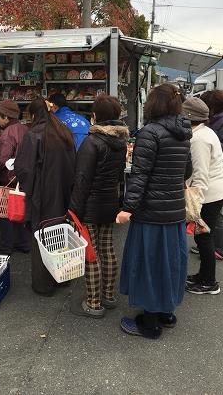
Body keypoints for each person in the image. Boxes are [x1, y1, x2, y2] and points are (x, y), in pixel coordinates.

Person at [116, 83, 192, 339]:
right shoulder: (183, 132)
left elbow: (139, 176)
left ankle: (149, 324)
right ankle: (166, 313)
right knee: (169, 264)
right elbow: (187, 172)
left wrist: (127, 208)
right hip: (174, 213)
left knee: (149, 265)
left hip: (151, 214)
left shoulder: (150, 132)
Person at [69, 95, 128, 318]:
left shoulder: (91, 142)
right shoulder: (120, 143)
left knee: (91, 254)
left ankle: (93, 303)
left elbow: (82, 179)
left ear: (95, 116)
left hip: (90, 206)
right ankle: (109, 296)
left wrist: (73, 211)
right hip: (109, 203)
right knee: (108, 250)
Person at [14, 98, 76, 296]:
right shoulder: (64, 131)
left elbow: (24, 168)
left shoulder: (34, 135)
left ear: (33, 115)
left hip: (42, 194)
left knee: (41, 236)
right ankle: (63, 277)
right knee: (61, 234)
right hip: (65, 191)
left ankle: (43, 285)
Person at [182, 97, 223, 296]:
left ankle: (209, 282)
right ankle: (203, 276)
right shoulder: (205, 132)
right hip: (215, 192)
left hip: (208, 196)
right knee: (203, 237)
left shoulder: (198, 139)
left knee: (204, 238)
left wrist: (195, 207)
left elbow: (200, 175)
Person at [190, 89, 223, 260]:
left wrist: (212, 143)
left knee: (215, 218)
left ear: (211, 107)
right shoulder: (214, 121)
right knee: (211, 218)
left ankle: (217, 249)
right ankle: (208, 246)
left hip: (214, 175)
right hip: (212, 176)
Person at [0, 100, 30, 255]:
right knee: (21, 210)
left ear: (6, 117)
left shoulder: (7, 133)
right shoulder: (26, 129)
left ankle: (6, 248)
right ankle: (24, 243)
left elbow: (2, 159)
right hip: (25, 177)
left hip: (9, 178)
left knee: (6, 213)